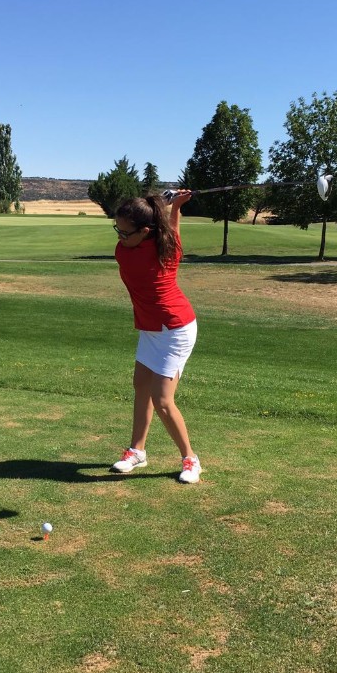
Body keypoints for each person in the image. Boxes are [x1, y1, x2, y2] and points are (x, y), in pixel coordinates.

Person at [111, 191, 202, 484]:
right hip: (151, 328)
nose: (120, 237)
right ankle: (137, 451)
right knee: (141, 386)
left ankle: (191, 459)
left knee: (162, 400)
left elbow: (171, 230)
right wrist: (174, 207)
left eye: (125, 232)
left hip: (175, 329)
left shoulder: (157, 251)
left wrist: (171, 206)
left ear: (146, 231)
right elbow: (172, 231)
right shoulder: (151, 249)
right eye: (117, 230)